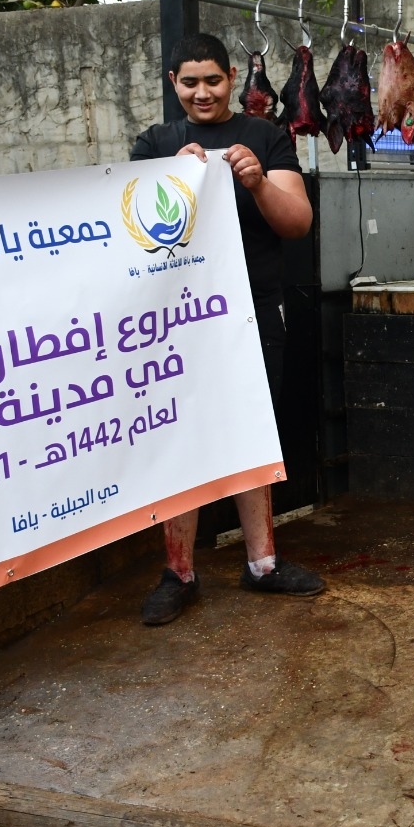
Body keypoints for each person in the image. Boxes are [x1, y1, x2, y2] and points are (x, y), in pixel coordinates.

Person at [130, 33, 323, 625]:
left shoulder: (266, 137)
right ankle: (178, 571)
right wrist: (170, 180)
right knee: (178, 437)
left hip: (252, 311)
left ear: (232, 77)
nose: (202, 92)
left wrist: (258, 180)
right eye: (189, 82)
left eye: (212, 80)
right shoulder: (154, 145)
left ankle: (262, 563)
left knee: (252, 433)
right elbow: (128, 232)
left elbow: (298, 223)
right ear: (173, 84)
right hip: (174, 319)